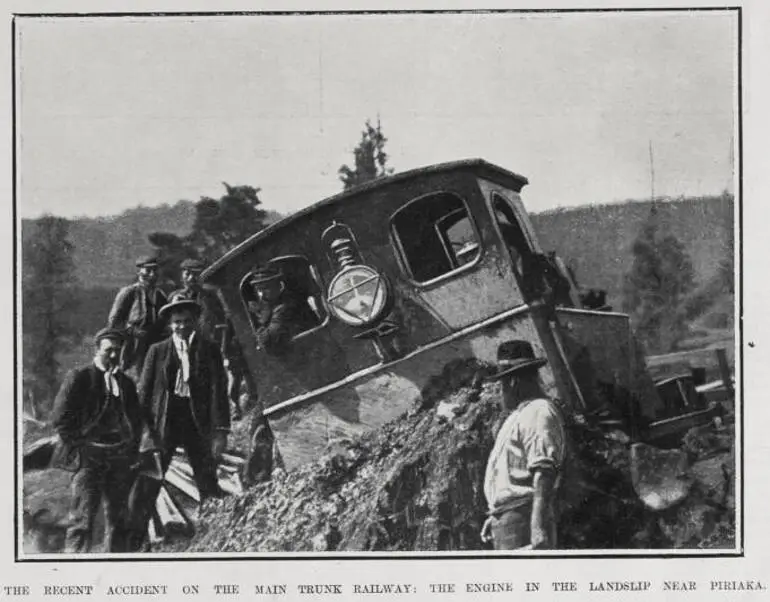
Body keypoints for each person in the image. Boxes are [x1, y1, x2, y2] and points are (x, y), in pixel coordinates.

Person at [127, 298, 230, 550]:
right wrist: (143, 432)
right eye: (176, 322)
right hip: (164, 424)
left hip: (197, 424)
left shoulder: (208, 349)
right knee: (149, 481)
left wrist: (220, 431)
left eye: (186, 321)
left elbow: (219, 392)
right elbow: (143, 393)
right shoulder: (157, 351)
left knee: (207, 478)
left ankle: (214, 531)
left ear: (194, 322)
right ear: (169, 324)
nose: (181, 326)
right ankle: (134, 539)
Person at [50, 328, 146, 553]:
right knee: (82, 520)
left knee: (118, 519)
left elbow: (136, 421)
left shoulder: (126, 384)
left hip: (119, 457)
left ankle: (114, 569)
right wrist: (79, 446)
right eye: (108, 350)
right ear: (97, 350)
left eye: (117, 351)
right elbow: (59, 419)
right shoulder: (80, 377)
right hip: (88, 457)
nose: (113, 355)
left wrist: (131, 450)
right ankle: (74, 570)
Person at [480, 340, 567, 550]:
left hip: (525, 520)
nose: (501, 392)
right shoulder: (517, 416)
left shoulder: (539, 411)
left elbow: (544, 472)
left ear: (512, 383)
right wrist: (496, 515)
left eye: (501, 385)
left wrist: (537, 527)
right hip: (508, 522)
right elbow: (510, 477)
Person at [170, 258, 246, 416]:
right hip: (189, 344)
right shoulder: (177, 297)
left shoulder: (210, 294)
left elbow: (225, 317)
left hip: (216, 340)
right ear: (181, 275)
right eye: (187, 273)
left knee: (228, 373)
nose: (191, 278)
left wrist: (224, 344)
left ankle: (232, 405)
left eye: (195, 274)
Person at [107, 255, 168, 380]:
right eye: (148, 270)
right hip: (133, 346)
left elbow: (165, 320)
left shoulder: (160, 295)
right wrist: (131, 331)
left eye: (155, 270)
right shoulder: (129, 292)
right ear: (139, 271)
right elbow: (114, 322)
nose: (152, 274)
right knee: (133, 378)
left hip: (154, 345)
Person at [245, 265, 318, 353]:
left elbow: (267, 341)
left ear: (278, 284)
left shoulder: (286, 306)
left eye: (265, 288)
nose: (262, 295)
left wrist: (261, 323)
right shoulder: (273, 303)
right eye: (258, 290)